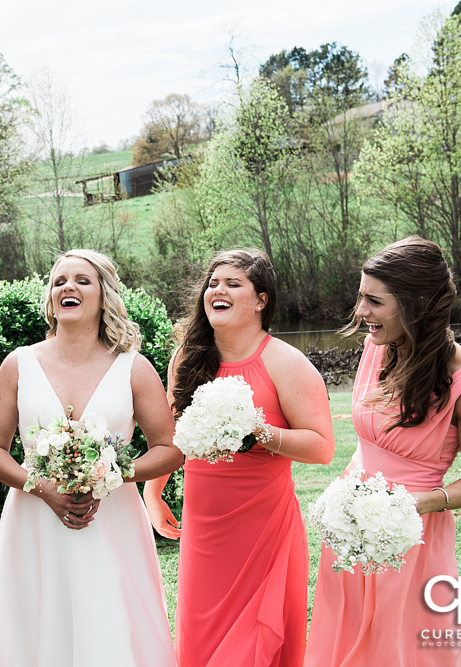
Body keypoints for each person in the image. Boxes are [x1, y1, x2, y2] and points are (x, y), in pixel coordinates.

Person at [305, 238, 461, 667]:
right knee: (344, 635)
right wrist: (347, 504)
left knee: (397, 650)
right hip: (350, 523)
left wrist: (415, 505)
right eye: (361, 297)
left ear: (417, 305)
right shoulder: (375, 348)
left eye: (374, 301)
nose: (361, 312)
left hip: (410, 535)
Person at [0, 249, 183, 667]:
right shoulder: (18, 364)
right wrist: (41, 488)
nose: (67, 287)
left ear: (103, 295)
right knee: (37, 625)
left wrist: (113, 473)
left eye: (81, 280)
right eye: (59, 281)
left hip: (111, 521)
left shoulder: (133, 367)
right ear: (51, 299)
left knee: (109, 624)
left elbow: (169, 449)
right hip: (35, 518)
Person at [144, 248, 335, 667]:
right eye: (213, 283)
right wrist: (154, 492)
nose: (218, 290)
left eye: (233, 283)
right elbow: (174, 436)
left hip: (262, 526)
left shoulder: (285, 362)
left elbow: (322, 447)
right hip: (204, 528)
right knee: (203, 642)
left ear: (261, 300)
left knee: (254, 647)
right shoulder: (187, 358)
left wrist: (259, 432)